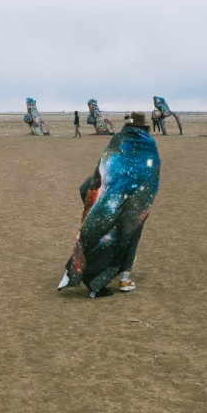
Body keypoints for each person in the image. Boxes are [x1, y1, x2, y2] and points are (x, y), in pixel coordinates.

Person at [58, 111, 161, 298]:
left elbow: (101, 170)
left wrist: (93, 196)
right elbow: (150, 174)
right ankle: (123, 279)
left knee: (98, 236)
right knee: (130, 239)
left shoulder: (118, 141)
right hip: (135, 202)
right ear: (142, 127)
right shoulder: (148, 144)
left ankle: (84, 274)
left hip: (108, 201)